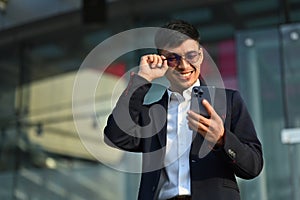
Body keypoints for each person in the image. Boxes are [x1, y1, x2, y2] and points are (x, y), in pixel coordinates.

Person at [104, 20, 263, 200]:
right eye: (173, 58)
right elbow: (115, 136)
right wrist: (141, 80)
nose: (184, 66)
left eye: (191, 55)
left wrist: (222, 139)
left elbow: (253, 166)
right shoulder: (152, 114)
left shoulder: (228, 101)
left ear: (201, 55)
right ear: (162, 62)